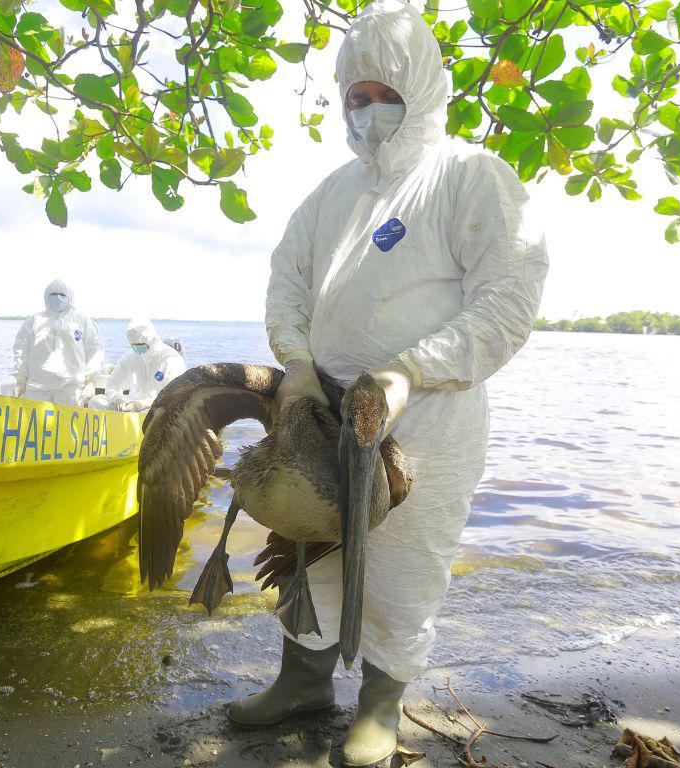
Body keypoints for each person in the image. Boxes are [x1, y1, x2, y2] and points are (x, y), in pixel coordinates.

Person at [227, 1, 549, 765]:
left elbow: (508, 300)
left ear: (425, 89)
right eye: (357, 96)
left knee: (406, 563)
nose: (369, 110)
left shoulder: (473, 177)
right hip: (324, 413)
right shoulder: (333, 193)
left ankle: (380, 702)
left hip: (428, 419)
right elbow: (286, 280)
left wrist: (409, 369)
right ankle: (302, 680)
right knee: (308, 545)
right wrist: (298, 364)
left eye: (386, 93)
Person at [12, 279, 104, 406]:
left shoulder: (82, 320)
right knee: (37, 424)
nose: (58, 298)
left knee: (69, 424)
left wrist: (91, 382)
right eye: (53, 295)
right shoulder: (34, 321)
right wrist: (20, 381)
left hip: (71, 387)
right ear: (46, 297)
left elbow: (94, 350)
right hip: (37, 387)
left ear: (69, 297)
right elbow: (21, 350)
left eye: (62, 295)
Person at [88, 318, 186, 412]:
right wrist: (118, 399)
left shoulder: (171, 358)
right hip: (131, 406)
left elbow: (174, 395)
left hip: (157, 409)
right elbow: (112, 385)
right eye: (135, 346)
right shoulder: (130, 357)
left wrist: (144, 404)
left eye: (142, 346)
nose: (139, 350)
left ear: (151, 341)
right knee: (97, 401)